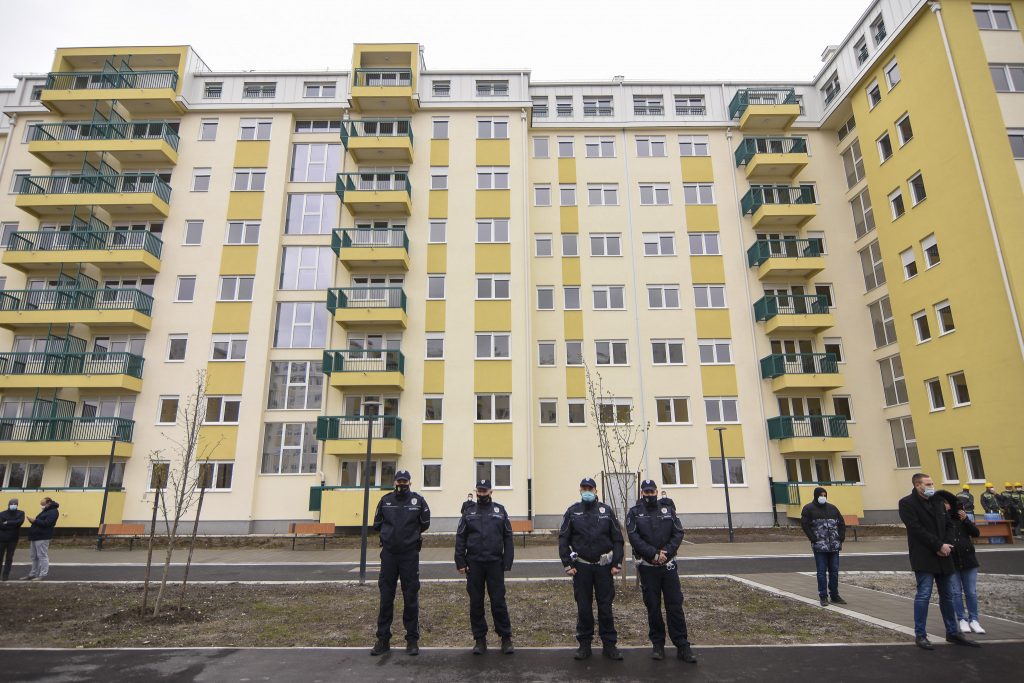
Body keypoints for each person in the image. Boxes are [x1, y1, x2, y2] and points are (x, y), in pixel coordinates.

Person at [898, 474, 978, 649]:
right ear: (917, 485)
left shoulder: (937, 501)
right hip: (925, 555)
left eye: (932, 483)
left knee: (948, 596)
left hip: (944, 555)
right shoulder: (907, 503)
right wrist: (938, 545)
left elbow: (950, 524)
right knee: (924, 595)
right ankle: (920, 635)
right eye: (928, 484)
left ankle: (953, 632)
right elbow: (916, 529)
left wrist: (946, 544)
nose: (931, 486)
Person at [625, 479, 697, 663]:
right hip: (649, 568)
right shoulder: (634, 513)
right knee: (653, 607)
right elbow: (634, 537)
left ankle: (682, 645)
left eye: (652, 492)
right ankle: (658, 645)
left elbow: (678, 533)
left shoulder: (667, 509)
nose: (649, 495)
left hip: (668, 567)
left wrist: (666, 552)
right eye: (646, 492)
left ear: (657, 491)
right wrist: (653, 554)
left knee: (675, 606)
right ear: (641, 493)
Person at [559, 477, 625, 661]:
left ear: (596, 491)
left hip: (604, 568)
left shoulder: (606, 511)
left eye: (590, 488)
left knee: (605, 607)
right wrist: (567, 563)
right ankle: (584, 645)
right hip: (581, 568)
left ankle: (609, 645)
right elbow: (563, 539)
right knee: (584, 607)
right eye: (584, 488)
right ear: (580, 490)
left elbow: (617, 539)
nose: (587, 490)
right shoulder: (573, 512)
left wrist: (616, 562)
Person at [370, 470, 430, 656]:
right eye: (399, 480)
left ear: (410, 482)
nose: (402, 483)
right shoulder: (386, 500)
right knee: (386, 597)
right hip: (389, 555)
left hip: (409, 555)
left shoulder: (418, 501)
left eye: (405, 481)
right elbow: (377, 523)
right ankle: (383, 639)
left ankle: (412, 640)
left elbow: (425, 524)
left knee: (410, 597)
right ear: (395, 481)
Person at [455, 478, 515, 655]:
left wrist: (508, 560)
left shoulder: (500, 510)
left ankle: (505, 638)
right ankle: (480, 639)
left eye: (485, 491)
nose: (482, 494)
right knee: (476, 602)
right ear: (476, 491)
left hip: (495, 563)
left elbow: (507, 537)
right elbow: (460, 538)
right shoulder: (469, 512)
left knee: (498, 601)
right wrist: (460, 561)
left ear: (491, 491)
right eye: (479, 491)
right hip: (474, 564)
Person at [935, 490, 984, 635]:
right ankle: (962, 619)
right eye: (944, 504)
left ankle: (974, 620)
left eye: (948, 504)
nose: (947, 506)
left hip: (968, 560)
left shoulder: (961, 518)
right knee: (956, 592)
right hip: (952, 560)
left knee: (971, 592)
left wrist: (966, 520)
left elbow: (976, 533)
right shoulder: (941, 520)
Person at [800, 486, 847, 607]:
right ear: (816, 496)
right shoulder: (808, 509)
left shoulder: (832, 508)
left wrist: (841, 536)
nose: (823, 497)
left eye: (825, 495)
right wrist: (813, 538)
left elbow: (841, 523)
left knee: (834, 571)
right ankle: (823, 596)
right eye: (821, 495)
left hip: (834, 545)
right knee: (821, 572)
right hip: (820, 546)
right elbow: (805, 525)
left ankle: (835, 595)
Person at [21, 497, 59, 581]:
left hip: (43, 536)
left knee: (42, 556)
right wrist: (33, 521)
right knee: (34, 556)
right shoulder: (46, 511)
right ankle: (33, 574)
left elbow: (47, 523)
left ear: (48, 503)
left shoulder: (53, 511)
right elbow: (41, 522)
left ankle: (42, 574)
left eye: (43, 505)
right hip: (35, 536)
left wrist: (34, 521)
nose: (42, 506)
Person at [0, 497, 25, 581]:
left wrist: (7, 522)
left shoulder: (21, 513)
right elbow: (1, 525)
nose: (13, 505)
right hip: (2, 539)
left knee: (9, 558)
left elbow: (20, 522)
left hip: (13, 539)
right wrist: (13, 524)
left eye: (15, 504)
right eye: (12, 504)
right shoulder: (2, 513)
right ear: (9, 504)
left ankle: (5, 575)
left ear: (17, 505)